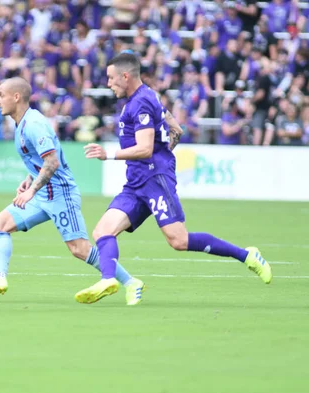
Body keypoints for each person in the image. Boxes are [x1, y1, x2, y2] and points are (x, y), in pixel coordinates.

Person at [75, 53, 272, 304]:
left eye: (112, 78)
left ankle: (247, 255)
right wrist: (173, 129)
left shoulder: (140, 103)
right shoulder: (147, 95)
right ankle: (111, 280)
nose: (109, 83)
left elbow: (145, 148)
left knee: (179, 241)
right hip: (136, 182)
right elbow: (169, 119)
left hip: (155, 179)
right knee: (103, 231)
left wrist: (109, 154)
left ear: (126, 76)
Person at [0, 77, 145, 306]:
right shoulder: (22, 123)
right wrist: (29, 179)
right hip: (42, 193)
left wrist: (30, 191)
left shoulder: (34, 124)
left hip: (60, 194)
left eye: (1, 95)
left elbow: (52, 163)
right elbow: (40, 160)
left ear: (16, 97)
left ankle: (130, 282)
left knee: (79, 249)